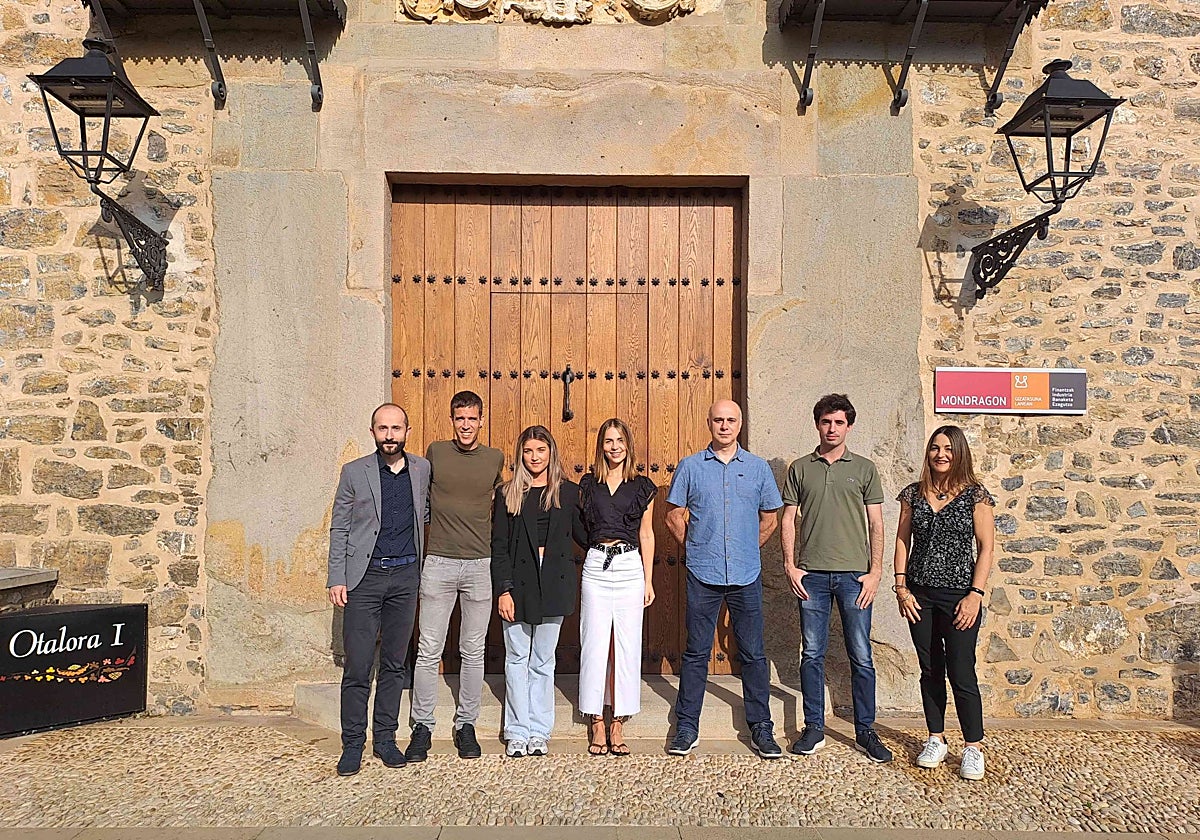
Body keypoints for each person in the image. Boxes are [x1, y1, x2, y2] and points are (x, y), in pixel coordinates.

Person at [664, 399, 784, 759]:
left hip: (746, 574)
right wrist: (698, 547)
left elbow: (770, 519)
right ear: (709, 423)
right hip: (703, 573)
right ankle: (687, 726)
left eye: (731, 420)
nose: (725, 426)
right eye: (718, 420)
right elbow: (673, 517)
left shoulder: (759, 469)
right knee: (697, 652)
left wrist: (748, 546)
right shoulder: (690, 467)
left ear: (740, 423)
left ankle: (761, 727)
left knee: (753, 653)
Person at [781, 393, 892, 763]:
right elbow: (787, 520)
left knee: (861, 655)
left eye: (839, 422)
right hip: (811, 576)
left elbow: (876, 523)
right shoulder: (800, 468)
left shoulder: (864, 468)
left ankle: (866, 731)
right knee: (811, 653)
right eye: (826, 422)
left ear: (849, 426)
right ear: (817, 424)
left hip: (855, 577)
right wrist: (790, 565)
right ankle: (814, 728)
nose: (832, 428)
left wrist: (876, 572)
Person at [326, 403, 431, 776]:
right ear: (373, 432)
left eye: (396, 428)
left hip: (404, 579)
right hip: (364, 579)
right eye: (383, 428)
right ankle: (352, 742)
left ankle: (385, 738)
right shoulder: (354, 472)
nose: (390, 435)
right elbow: (339, 527)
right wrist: (337, 577)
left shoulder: (421, 470)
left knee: (394, 664)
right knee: (357, 664)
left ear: (407, 431)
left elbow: (427, 516)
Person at [406, 391, 504, 762]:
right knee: (429, 648)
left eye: (472, 419)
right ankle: (422, 726)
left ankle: (467, 725)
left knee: (472, 650)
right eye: (460, 419)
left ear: (482, 420)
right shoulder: (436, 452)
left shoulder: (495, 458)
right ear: (453, 420)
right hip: (440, 563)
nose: (466, 425)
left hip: (480, 565)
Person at [894, 424, 995, 781]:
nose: (941, 454)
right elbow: (903, 541)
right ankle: (936, 738)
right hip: (919, 596)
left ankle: (973, 746)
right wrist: (901, 587)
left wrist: (975, 595)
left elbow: (986, 549)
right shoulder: (913, 494)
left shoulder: (975, 496)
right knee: (930, 669)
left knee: (961, 671)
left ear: (959, 453)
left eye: (948, 449)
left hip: (959, 597)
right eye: (935, 448)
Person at [491, 425, 587, 758]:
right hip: (518, 586)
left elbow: (586, 535)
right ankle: (516, 731)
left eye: (540, 451)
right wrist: (504, 590)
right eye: (528, 451)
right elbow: (499, 546)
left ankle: (539, 730)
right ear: (521, 455)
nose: (534, 457)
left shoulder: (569, 493)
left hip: (554, 584)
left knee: (543, 661)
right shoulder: (509, 493)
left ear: (551, 453)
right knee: (517, 658)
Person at [578, 418, 657, 756]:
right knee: (594, 642)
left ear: (628, 444)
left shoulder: (642, 486)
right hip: (596, 564)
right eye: (608, 441)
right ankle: (596, 718)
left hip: (629, 567)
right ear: (601, 446)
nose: (614, 447)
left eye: (619, 440)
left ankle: (618, 720)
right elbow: (580, 527)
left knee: (626, 645)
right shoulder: (588, 484)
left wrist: (648, 580)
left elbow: (647, 534)